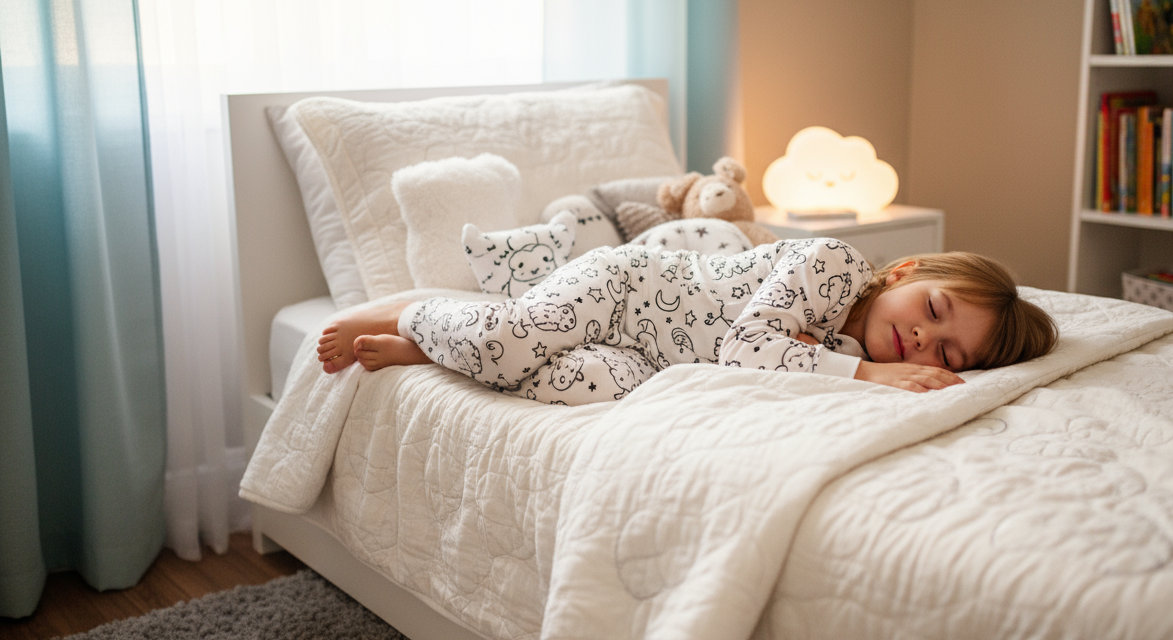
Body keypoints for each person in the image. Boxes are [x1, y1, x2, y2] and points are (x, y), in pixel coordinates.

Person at [316, 239, 1058, 404]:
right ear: (903, 273)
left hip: (648, 360)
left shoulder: (839, 348)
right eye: (933, 311)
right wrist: (871, 372)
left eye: (951, 353)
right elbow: (746, 348)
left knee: (591, 387)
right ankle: (424, 311)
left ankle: (436, 353)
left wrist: (856, 366)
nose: (927, 342)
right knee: (508, 343)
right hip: (622, 292)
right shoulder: (834, 263)